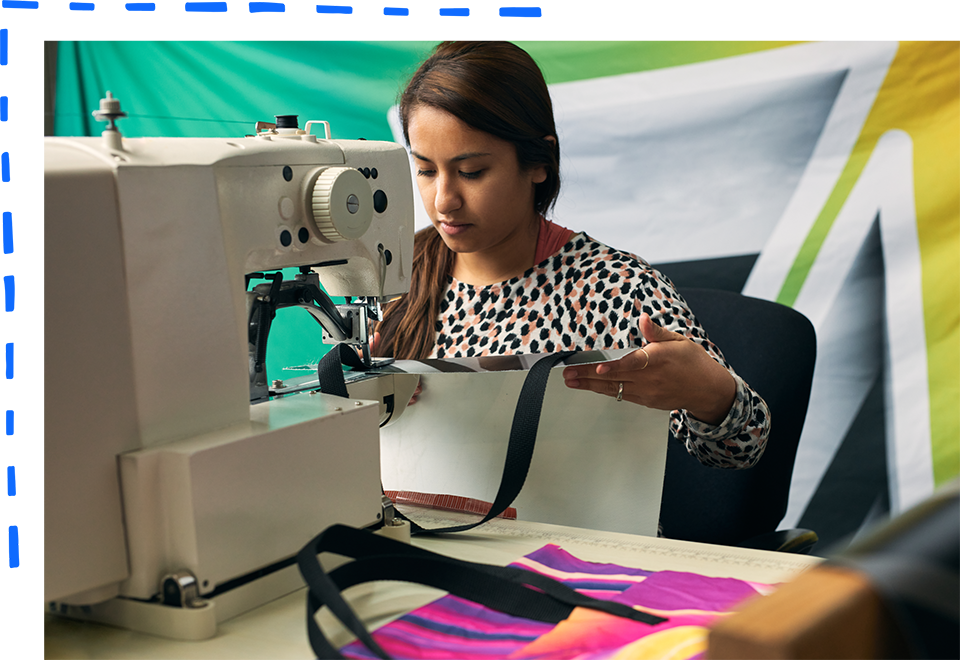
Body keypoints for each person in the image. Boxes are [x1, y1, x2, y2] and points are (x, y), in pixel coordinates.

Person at [373, 40, 769, 471]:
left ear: (538, 162)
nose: (444, 200)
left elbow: (743, 448)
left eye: (472, 172)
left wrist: (708, 392)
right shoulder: (397, 268)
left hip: (567, 536)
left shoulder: (617, 287)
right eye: (426, 170)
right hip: (426, 526)